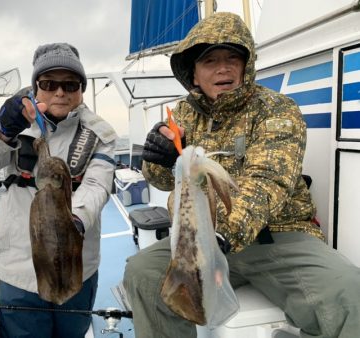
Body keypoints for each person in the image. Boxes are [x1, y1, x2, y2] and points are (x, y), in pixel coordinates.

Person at [123, 12, 360, 338]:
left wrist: (222, 236)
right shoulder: (182, 115)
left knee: (348, 291)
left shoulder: (276, 109)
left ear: (245, 66)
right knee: (142, 272)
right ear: (193, 73)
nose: (223, 68)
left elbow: (267, 179)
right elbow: (163, 181)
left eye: (232, 58)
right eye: (210, 60)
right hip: (197, 239)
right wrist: (159, 160)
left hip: (276, 236)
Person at [0, 43, 117, 338]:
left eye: (70, 84)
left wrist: (73, 223)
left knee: (73, 332)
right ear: (36, 87)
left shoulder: (100, 132)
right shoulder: (11, 119)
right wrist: (3, 131)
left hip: (77, 265)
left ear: (81, 89)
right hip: (20, 270)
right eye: (49, 83)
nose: (60, 92)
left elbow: (97, 184)